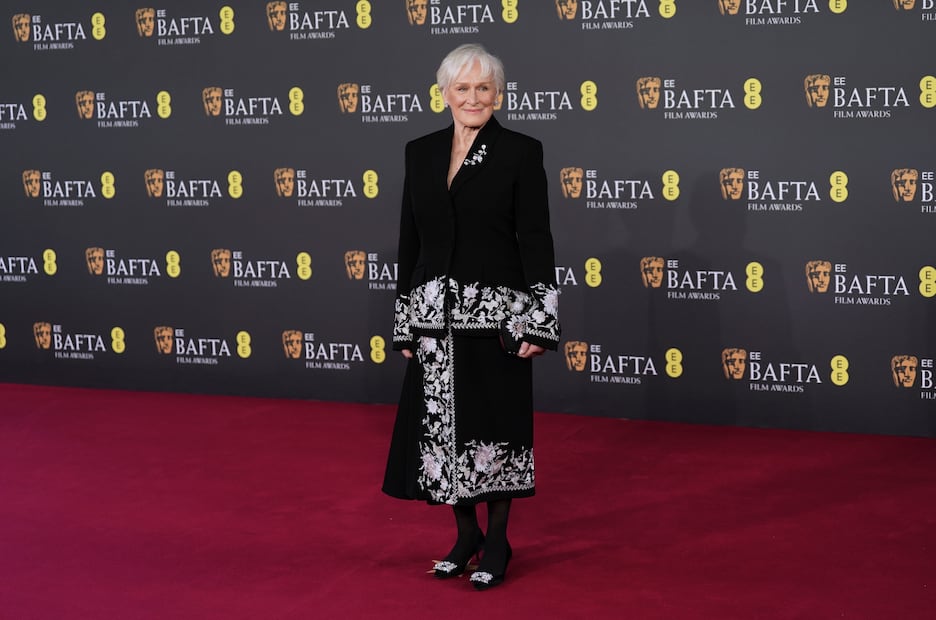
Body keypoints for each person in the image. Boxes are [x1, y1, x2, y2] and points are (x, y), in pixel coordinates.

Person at [382, 43, 560, 591]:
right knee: (440, 434)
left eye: (484, 88)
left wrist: (540, 320)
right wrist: (405, 319)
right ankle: (465, 536)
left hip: (497, 317)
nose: (473, 97)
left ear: (499, 94)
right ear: (444, 95)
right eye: (462, 88)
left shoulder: (520, 152)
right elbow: (410, 238)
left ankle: (499, 538)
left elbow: (534, 237)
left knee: (494, 428)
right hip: (434, 315)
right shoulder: (421, 151)